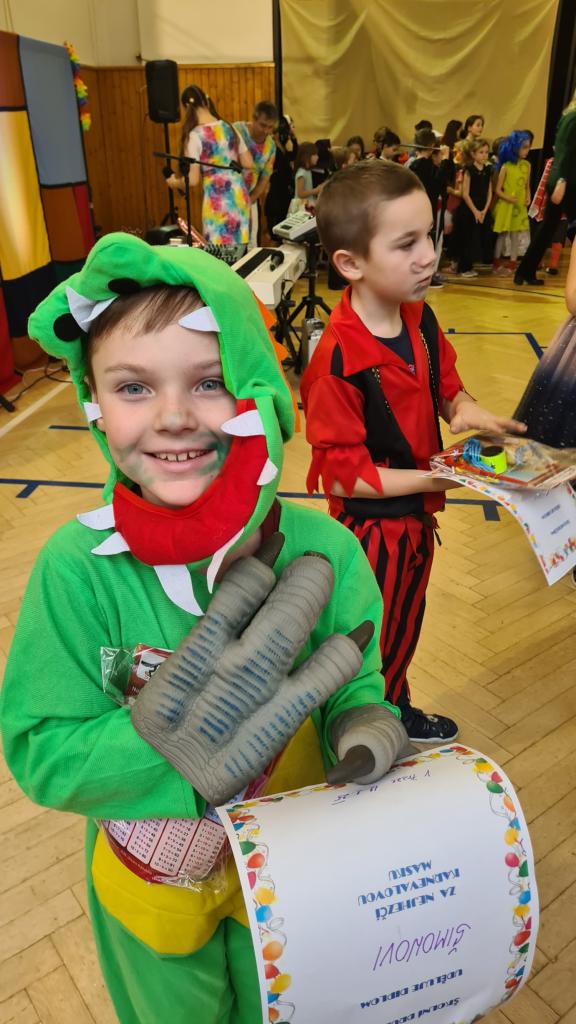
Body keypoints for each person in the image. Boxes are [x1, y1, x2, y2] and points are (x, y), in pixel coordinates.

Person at [0, 233, 409, 1024]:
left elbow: (354, 678)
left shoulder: (326, 552)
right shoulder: (76, 569)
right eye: (133, 387)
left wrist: (362, 725)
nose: (175, 416)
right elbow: (40, 749)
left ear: (262, 389)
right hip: (153, 891)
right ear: (92, 401)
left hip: (293, 878)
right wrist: (165, 749)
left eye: (211, 382)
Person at [300, 161, 527, 742]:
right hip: (373, 531)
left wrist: (468, 411)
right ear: (350, 263)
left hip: (415, 521)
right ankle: (362, 723)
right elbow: (344, 477)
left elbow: (445, 386)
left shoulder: (419, 318)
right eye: (406, 244)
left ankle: (392, 705)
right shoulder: (336, 362)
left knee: (403, 624)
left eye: (429, 235)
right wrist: (440, 478)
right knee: (370, 635)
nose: (428, 256)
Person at [172, 85, 252, 247]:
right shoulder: (229, 127)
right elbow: (248, 163)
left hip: (218, 202)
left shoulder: (194, 136)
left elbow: (192, 180)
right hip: (239, 197)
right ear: (206, 102)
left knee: (218, 255)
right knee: (241, 254)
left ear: (186, 107)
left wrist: (174, 182)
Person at [515, 90, 576, 285]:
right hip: (565, 181)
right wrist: (562, 180)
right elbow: (564, 150)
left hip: (561, 179)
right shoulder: (573, 118)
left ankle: (524, 271)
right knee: (564, 227)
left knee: (548, 228)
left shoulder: (567, 115)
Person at [409, 129, 453, 287]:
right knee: (430, 241)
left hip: (419, 208)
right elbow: (436, 186)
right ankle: (428, 275)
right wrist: (445, 161)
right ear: (431, 145)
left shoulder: (415, 164)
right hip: (428, 208)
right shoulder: (424, 164)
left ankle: (426, 273)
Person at [234, 100, 278, 247]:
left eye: (270, 127)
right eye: (263, 125)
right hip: (228, 198)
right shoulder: (237, 131)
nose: (266, 131)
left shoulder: (271, 146)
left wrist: (250, 200)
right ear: (253, 118)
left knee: (251, 244)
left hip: (249, 199)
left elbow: (265, 178)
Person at [451, 137, 492, 277]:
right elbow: (465, 194)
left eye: (486, 152)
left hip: (482, 208)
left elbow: (489, 192)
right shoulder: (469, 169)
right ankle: (463, 268)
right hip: (469, 209)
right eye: (481, 152)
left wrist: (484, 210)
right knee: (467, 238)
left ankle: (470, 266)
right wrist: (475, 211)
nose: (484, 155)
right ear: (473, 154)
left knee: (478, 238)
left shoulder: (488, 170)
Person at [492, 131, 532, 276]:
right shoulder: (506, 167)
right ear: (515, 148)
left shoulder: (527, 165)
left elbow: (527, 185)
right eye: (524, 147)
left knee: (516, 235)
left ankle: (512, 265)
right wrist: (508, 198)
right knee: (502, 235)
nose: (527, 151)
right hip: (506, 205)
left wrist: (528, 196)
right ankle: (496, 263)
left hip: (519, 206)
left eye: (528, 147)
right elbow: (498, 190)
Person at [264, 114, 298, 234]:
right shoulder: (271, 145)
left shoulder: (283, 145)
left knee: (284, 217)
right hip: (276, 188)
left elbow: (294, 156)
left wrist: (294, 139)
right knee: (276, 218)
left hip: (284, 188)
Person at [293, 141, 323, 210]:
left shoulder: (307, 171)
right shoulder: (302, 173)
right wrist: (316, 190)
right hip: (301, 206)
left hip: (306, 203)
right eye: (315, 154)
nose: (317, 157)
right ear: (307, 156)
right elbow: (300, 193)